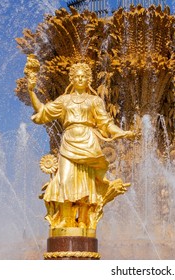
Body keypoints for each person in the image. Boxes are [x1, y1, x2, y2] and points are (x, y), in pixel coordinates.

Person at [26, 59, 136, 229]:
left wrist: (121, 132)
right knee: (65, 179)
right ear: (71, 79)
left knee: (86, 181)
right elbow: (42, 112)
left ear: (88, 79)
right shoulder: (64, 100)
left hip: (88, 142)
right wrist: (31, 90)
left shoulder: (94, 101)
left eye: (83, 76)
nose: (79, 79)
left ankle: (84, 218)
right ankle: (65, 218)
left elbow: (105, 124)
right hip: (69, 141)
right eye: (76, 76)